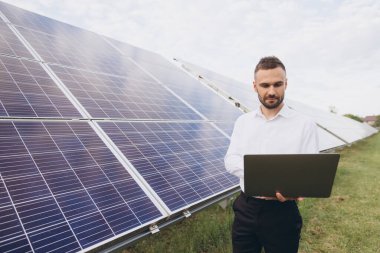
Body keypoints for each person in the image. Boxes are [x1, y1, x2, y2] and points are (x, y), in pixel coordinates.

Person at [224, 56, 319, 253]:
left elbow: (311, 168)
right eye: (265, 85)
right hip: (246, 208)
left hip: (282, 212)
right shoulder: (243, 122)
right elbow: (230, 160)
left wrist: (298, 187)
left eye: (277, 84)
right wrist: (262, 173)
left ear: (286, 84)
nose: (272, 91)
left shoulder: (304, 124)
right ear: (254, 86)